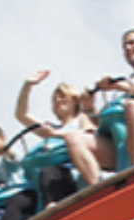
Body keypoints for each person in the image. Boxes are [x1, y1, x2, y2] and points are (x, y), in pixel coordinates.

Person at [63, 29, 134, 182]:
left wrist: (121, 86)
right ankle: (98, 188)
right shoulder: (122, 86)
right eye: (125, 46)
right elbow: (105, 122)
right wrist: (89, 108)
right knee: (73, 138)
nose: (128, 49)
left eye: (133, 43)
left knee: (133, 107)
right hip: (120, 142)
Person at [14, 69, 96, 204]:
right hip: (47, 183)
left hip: (74, 176)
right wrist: (27, 86)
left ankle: (53, 211)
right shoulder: (51, 128)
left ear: (75, 100)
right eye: (55, 99)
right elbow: (21, 115)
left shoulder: (82, 119)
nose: (58, 100)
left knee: (50, 172)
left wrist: (55, 134)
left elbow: (89, 135)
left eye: (63, 96)